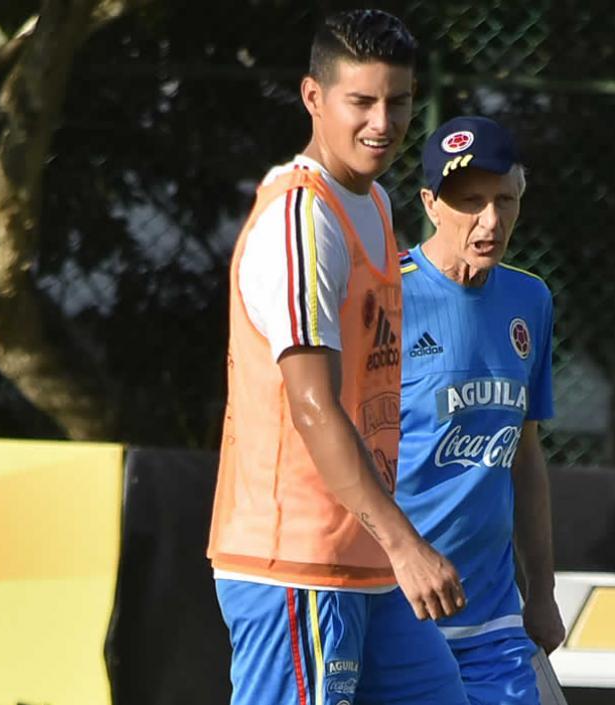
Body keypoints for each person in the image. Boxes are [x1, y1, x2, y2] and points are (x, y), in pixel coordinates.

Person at [206, 10, 470, 705]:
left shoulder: (375, 202)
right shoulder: (303, 219)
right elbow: (314, 402)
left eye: (399, 100)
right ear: (313, 97)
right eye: (362, 101)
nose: (383, 121)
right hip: (298, 559)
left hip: (362, 556)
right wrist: (408, 544)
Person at [394, 115, 565, 705]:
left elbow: (525, 452)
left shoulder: (530, 299)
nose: (490, 221)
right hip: (397, 611)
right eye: (470, 202)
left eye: (505, 200)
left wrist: (540, 592)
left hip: (492, 615)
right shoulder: (385, 295)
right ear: (431, 204)